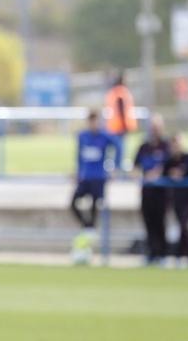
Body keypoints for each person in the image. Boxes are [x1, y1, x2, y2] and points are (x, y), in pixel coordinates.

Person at [69, 110, 121, 264]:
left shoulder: (105, 136)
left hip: (98, 177)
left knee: (95, 203)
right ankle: (88, 227)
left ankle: (90, 230)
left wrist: (114, 167)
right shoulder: (83, 136)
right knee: (73, 203)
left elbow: (118, 145)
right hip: (85, 177)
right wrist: (78, 171)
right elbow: (79, 155)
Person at [133, 115, 170, 266]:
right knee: (148, 223)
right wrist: (140, 176)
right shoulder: (144, 146)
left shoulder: (165, 146)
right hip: (147, 191)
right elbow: (136, 166)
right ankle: (151, 254)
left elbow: (168, 164)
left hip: (162, 192)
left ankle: (162, 254)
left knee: (160, 222)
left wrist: (156, 174)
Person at [162, 134, 188, 267]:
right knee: (179, 227)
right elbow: (164, 172)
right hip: (175, 198)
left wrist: (182, 173)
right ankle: (182, 255)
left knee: (184, 225)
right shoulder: (169, 161)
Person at [105, 71, 137, 167]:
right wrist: (125, 125)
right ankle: (117, 167)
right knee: (120, 148)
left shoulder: (114, 91)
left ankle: (115, 165)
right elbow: (121, 109)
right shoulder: (120, 92)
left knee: (115, 148)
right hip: (119, 127)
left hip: (114, 126)